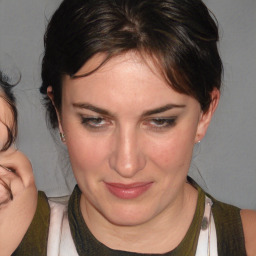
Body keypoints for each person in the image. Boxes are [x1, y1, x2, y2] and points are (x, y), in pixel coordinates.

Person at [0, 0, 255, 255]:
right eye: (95, 120)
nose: (127, 164)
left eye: (159, 121)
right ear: (59, 112)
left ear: (204, 114)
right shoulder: (10, 235)